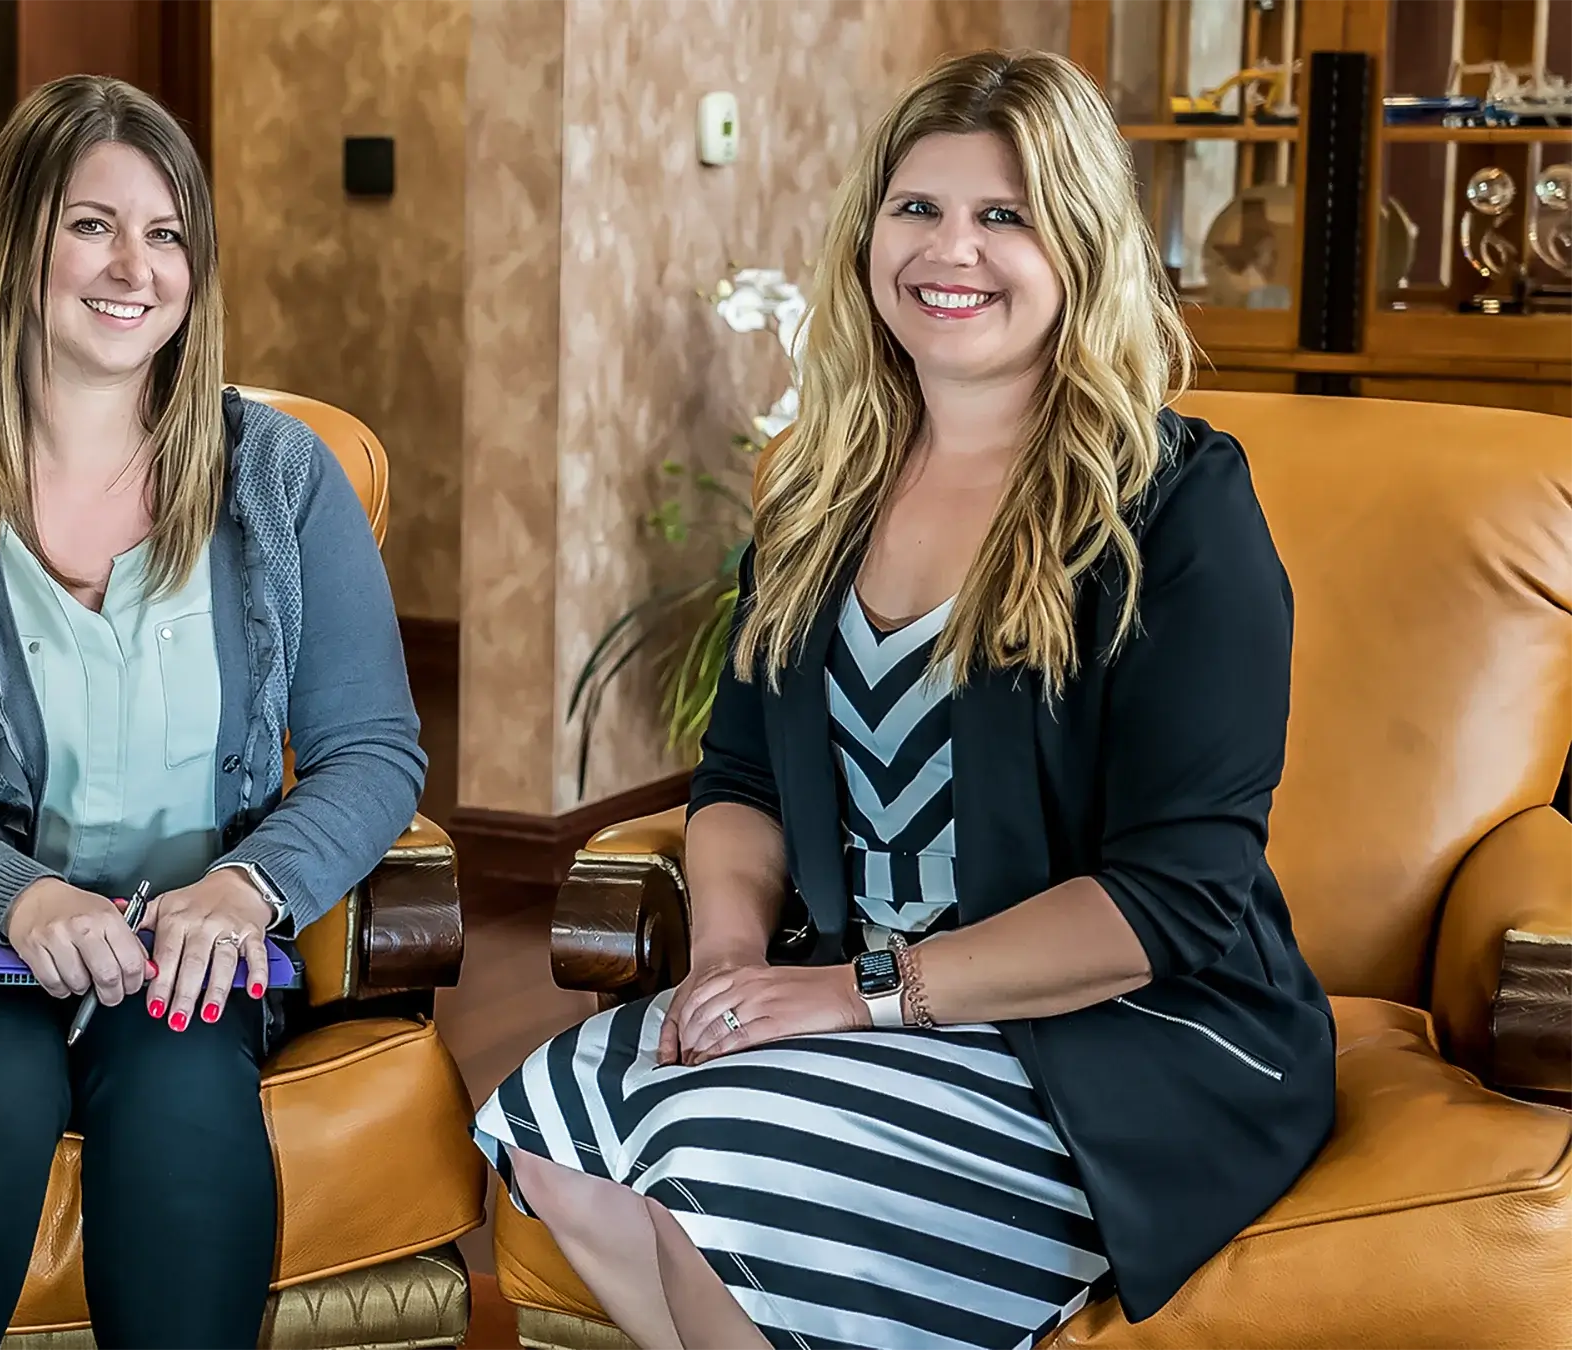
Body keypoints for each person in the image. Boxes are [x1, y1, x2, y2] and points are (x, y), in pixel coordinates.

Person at [475, 48, 1333, 1350]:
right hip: (865, 1006)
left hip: (1118, 1043)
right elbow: (743, 781)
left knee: (718, 1175)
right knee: (554, 1126)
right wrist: (725, 957)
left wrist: (868, 990)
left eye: (1005, 216)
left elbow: (1176, 898)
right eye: (918, 209)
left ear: (1081, 247)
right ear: (868, 232)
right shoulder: (822, 490)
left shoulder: (1180, 506)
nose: (953, 250)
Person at [0, 75, 426, 1350]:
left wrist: (250, 891)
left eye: (167, 235)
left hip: (178, 945)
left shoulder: (281, 478)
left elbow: (372, 750)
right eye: (93, 224)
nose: (134, 266)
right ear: (18, 245)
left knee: (181, 1085)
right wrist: (26, 903)